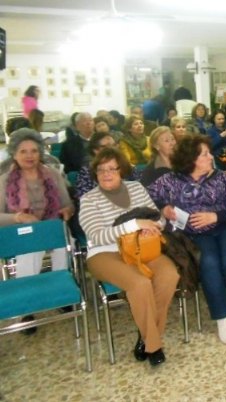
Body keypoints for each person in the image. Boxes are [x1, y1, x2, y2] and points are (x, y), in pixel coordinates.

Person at [79, 147, 178, 367]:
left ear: (121, 170)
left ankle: (146, 336)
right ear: (95, 173)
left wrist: (151, 227)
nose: (106, 174)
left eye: (112, 169)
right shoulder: (89, 199)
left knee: (169, 275)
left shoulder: (136, 188)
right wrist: (134, 225)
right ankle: (153, 345)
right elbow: (97, 236)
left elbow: (157, 218)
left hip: (142, 247)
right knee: (140, 283)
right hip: (104, 253)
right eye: (101, 170)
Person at [147, 135, 226, 345]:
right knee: (209, 263)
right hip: (195, 234)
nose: (211, 156)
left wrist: (216, 216)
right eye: (205, 154)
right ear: (192, 159)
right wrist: (163, 209)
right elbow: (145, 196)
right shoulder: (170, 180)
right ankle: (221, 318)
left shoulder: (219, 177)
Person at [0, 128, 74, 334]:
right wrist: (17, 217)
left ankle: (61, 294)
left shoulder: (52, 174)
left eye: (34, 150)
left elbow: (68, 204)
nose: (29, 155)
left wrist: (67, 210)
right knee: (30, 249)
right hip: (20, 231)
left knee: (65, 244)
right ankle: (26, 308)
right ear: (14, 154)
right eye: (23, 151)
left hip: (50, 225)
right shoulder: (5, 180)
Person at [75, 132, 117, 199]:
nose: (112, 149)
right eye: (106, 146)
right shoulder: (86, 172)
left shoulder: (124, 165)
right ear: (95, 150)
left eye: (114, 145)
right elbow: (84, 198)